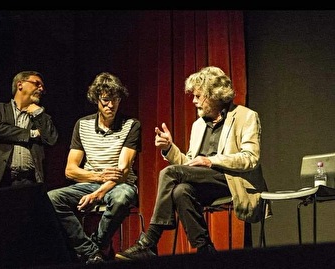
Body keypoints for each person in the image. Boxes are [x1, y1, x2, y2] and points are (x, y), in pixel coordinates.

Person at [115, 66, 270, 260]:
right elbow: (189, 165)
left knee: (170, 174)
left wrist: (211, 160)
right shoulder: (198, 125)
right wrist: (169, 148)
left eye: (198, 96)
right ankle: (205, 250)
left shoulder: (246, 116)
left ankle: (149, 241)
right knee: (181, 191)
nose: (194, 100)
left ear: (213, 95)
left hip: (232, 180)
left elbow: (250, 158)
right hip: (207, 181)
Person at [47, 72, 141, 265]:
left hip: (119, 185)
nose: (111, 105)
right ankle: (91, 251)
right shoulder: (82, 125)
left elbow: (122, 173)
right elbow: (70, 170)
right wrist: (98, 177)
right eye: (106, 100)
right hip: (90, 182)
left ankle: (96, 246)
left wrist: (98, 193)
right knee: (51, 198)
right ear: (96, 100)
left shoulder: (131, 125)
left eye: (115, 100)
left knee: (122, 197)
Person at [0, 70, 58, 191]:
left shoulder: (42, 117)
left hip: (29, 181)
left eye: (42, 87)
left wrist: (38, 114)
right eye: (37, 84)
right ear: (20, 85)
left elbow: (51, 139)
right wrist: (32, 134)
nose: (41, 88)